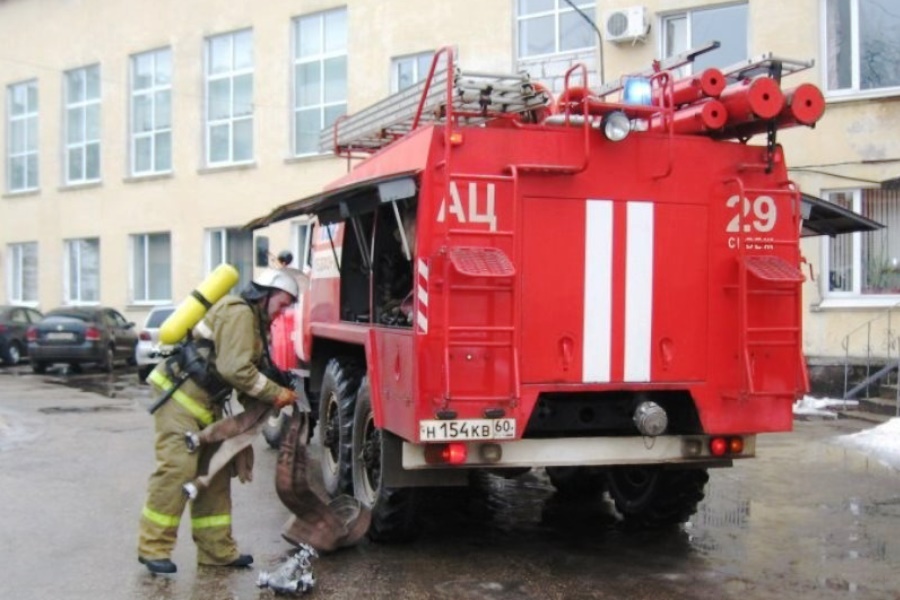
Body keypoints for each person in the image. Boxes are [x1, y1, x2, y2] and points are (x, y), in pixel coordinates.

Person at [137, 268, 299, 575]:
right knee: (178, 469)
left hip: (205, 404)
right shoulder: (239, 313)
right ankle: (152, 548)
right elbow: (235, 370)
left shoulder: (256, 325)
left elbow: (250, 374)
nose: (284, 310)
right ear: (264, 296)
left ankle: (216, 551)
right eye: (283, 302)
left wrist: (275, 397)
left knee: (216, 473)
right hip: (179, 397)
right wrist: (276, 394)